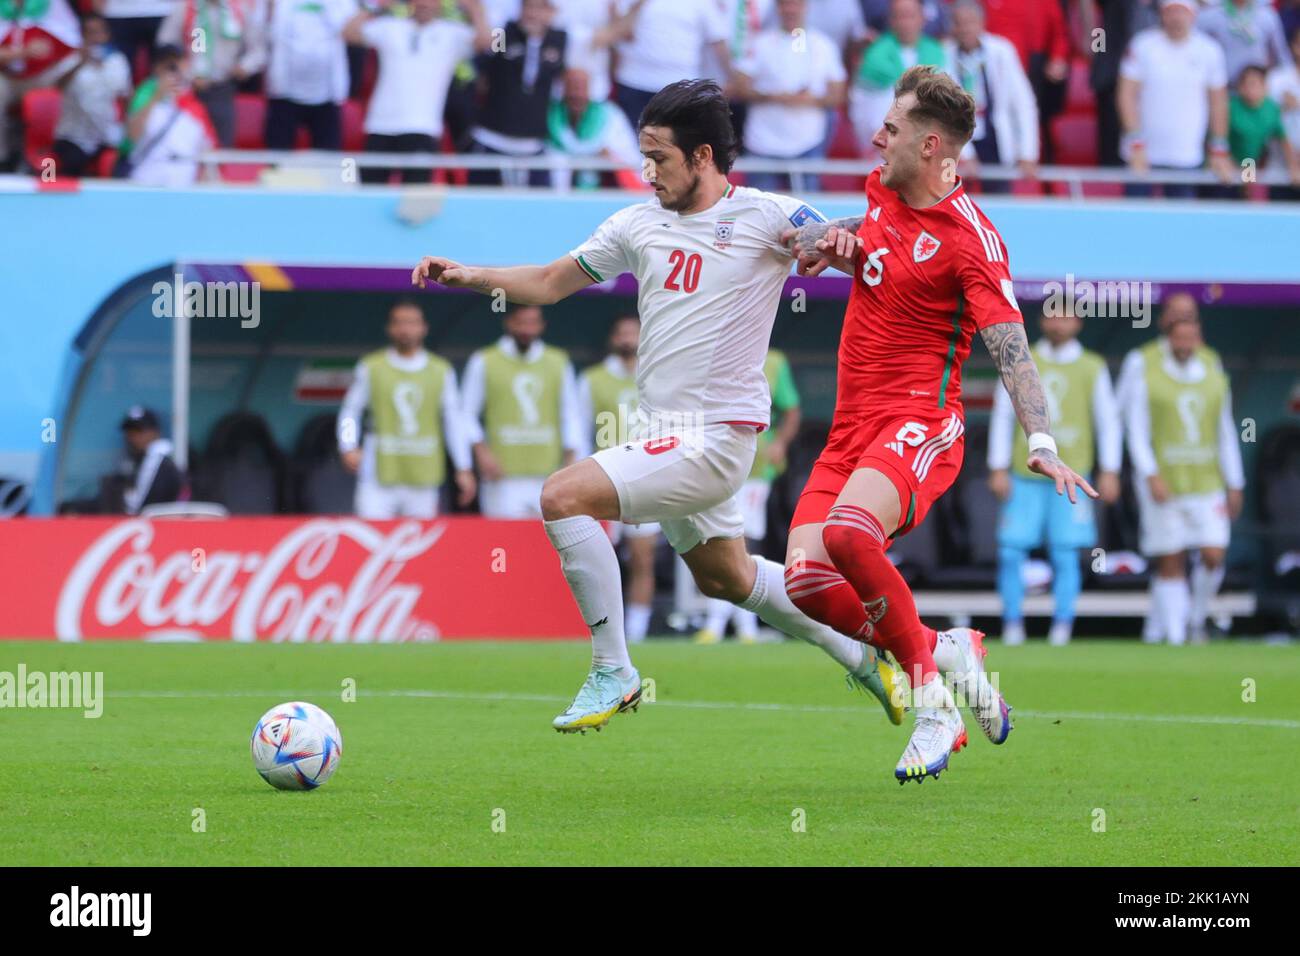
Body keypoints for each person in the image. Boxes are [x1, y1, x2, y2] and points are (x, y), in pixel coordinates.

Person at [412, 78, 906, 736]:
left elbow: (865, 251)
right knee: (726, 578)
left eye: (659, 158)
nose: (647, 171)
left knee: (562, 496)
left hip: (718, 439)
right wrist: (473, 275)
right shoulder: (635, 222)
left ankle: (613, 669)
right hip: (663, 437)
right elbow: (552, 281)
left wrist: (853, 243)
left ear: (703, 157)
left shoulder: (769, 218)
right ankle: (862, 653)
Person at [783, 65, 1096, 783]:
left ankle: (934, 705)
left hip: (921, 424)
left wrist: (1040, 442)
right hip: (850, 430)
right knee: (805, 583)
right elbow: (877, 249)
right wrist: (837, 247)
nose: (874, 137)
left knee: (845, 535)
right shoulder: (880, 192)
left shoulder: (972, 241)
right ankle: (946, 650)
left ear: (929, 146)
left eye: (889, 129)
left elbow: (1009, 345)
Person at [987, 307, 1122, 647]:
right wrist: (998, 466)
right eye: (1052, 316)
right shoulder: (1019, 356)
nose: (1058, 323)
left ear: (1078, 321)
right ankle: (1013, 626)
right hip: (1024, 471)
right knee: (1011, 551)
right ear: (1041, 320)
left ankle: (1061, 629)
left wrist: (1110, 470)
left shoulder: (1092, 366)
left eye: (1066, 316)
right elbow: (1004, 415)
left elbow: (1107, 421)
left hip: (1071, 473)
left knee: (1065, 553)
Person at [1118, 300, 1245, 646]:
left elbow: (1224, 427)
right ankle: (1175, 637)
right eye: (1177, 318)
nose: (1185, 328)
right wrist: (1147, 473)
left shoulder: (1212, 363)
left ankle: (1193, 617)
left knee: (1213, 553)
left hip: (1206, 478)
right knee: (1170, 557)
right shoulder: (1142, 362)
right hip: (1165, 479)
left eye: (1191, 319)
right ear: (1165, 324)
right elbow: (1132, 423)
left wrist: (1235, 480)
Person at [695, 347, 801, 644]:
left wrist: (779, 443)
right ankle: (718, 624)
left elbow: (791, 410)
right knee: (714, 536)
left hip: (755, 469)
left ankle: (743, 626)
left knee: (745, 538)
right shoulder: (712, 349)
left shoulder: (776, 360)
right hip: (713, 462)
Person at [336, 298, 475, 519]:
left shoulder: (440, 370)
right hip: (378, 473)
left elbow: (453, 421)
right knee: (372, 537)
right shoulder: (372, 366)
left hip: (423, 472)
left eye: (412, 323)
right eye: (399, 323)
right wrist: (348, 445)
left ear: (424, 328)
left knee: (419, 539)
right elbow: (350, 410)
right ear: (389, 328)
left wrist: (463, 466)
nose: (405, 329)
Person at [343, 0, 491, 184]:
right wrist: (376, 6)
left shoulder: (452, 33)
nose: (424, 4)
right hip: (381, 125)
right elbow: (348, 33)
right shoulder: (390, 26)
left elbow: (491, 43)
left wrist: (475, 9)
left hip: (423, 128)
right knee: (369, 195)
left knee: (415, 201)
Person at [577, 315, 660, 643]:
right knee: (598, 560)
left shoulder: (658, 373)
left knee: (643, 558)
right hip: (604, 479)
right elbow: (578, 426)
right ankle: (603, 628)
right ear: (613, 338)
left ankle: (637, 632)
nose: (628, 339)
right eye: (622, 332)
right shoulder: (594, 379)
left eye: (633, 333)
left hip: (646, 479)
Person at [460, 305, 586, 519]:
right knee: (505, 543)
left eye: (532, 322)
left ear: (542, 325)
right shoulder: (484, 360)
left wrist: (572, 457)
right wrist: (482, 452)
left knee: (548, 544)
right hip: (502, 476)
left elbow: (571, 414)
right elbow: (466, 413)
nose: (527, 329)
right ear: (508, 322)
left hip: (549, 474)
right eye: (521, 322)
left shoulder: (557, 361)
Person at [1118, 0, 1235, 198]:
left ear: (1193, 15)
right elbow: (1126, 95)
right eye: (1171, 12)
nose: (1176, 18)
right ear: (1162, 14)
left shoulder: (1209, 50)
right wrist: (1135, 142)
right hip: (1142, 155)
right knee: (1135, 222)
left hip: (1186, 155)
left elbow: (1218, 103)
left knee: (1182, 225)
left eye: (1182, 12)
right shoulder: (1142, 44)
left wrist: (1219, 149)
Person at [733, 0, 846, 194]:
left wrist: (809, 100)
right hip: (763, 142)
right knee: (760, 212)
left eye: (796, 4)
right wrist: (773, 97)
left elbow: (838, 93)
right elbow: (740, 87)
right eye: (786, 4)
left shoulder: (822, 45)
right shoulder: (761, 43)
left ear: (805, 6)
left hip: (807, 141)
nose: (791, 10)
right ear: (778, 8)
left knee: (809, 214)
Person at [467, 0, 568, 186]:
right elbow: (484, 50)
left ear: (550, 11)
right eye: (528, 7)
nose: (532, 13)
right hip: (492, 140)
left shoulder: (560, 40)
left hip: (533, 146)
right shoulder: (504, 34)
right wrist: (476, 11)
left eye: (539, 8)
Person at [943, 0, 1039, 193]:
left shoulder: (1002, 51)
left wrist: (1027, 152)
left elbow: (1023, 104)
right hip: (961, 142)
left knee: (999, 204)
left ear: (981, 23)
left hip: (996, 139)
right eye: (959, 23)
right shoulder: (944, 54)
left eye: (970, 22)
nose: (965, 29)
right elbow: (944, 113)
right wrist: (963, 154)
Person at [157, 0, 265, 147]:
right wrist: (186, 72)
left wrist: (244, 67)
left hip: (223, 87)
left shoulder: (240, 9)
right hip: (189, 90)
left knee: (222, 148)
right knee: (186, 145)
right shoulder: (186, 8)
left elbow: (258, 50)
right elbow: (165, 44)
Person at [849, 0, 945, 159]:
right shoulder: (873, 57)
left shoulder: (939, 55)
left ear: (922, 18)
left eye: (910, 16)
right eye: (899, 16)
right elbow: (860, 107)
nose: (905, 22)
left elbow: (950, 105)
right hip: (884, 150)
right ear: (891, 20)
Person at [256, 0, 356, 150]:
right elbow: (261, 29)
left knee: (328, 165)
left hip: (327, 95)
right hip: (284, 92)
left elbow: (352, 33)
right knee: (277, 163)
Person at [120, 45, 216, 186]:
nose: (175, 73)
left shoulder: (193, 103)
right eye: (169, 67)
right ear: (157, 68)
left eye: (178, 66)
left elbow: (208, 148)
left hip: (183, 177)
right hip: (148, 174)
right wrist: (157, 96)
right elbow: (132, 136)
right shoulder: (144, 93)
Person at [52, 13, 132, 177]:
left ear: (107, 35)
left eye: (99, 32)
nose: (95, 37)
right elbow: (57, 87)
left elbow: (125, 95)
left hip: (106, 135)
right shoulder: (71, 58)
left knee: (119, 169)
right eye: (90, 32)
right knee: (68, 173)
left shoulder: (117, 61)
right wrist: (80, 63)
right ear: (82, 35)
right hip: (73, 136)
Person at [1228, 63, 1300, 194]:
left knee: (1255, 199)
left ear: (1265, 86)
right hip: (1224, 167)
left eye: (1254, 84)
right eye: (1245, 84)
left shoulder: (1271, 109)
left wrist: (1293, 166)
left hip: (1251, 164)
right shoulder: (1229, 108)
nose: (1249, 89)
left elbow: (1283, 139)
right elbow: (1218, 141)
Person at [1198, 0, 1293, 85]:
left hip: (1257, 90)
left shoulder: (1267, 15)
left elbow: (1281, 54)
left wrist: (1288, 84)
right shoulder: (1209, 15)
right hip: (1224, 86)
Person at [119, 406, 185, 514]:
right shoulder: (134, 460)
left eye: (139, 431)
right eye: (130, 431)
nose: (133, 436)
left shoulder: (163, 460)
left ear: (154, 432)